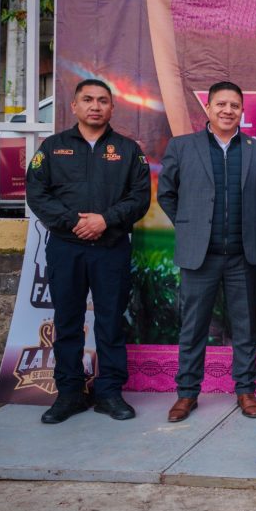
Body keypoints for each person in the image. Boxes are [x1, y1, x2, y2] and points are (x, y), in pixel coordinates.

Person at [25, 78, 151, 423]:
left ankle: (109, 393)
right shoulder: (52, 148)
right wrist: (73, 223)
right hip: (66, 249)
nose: (95, 106)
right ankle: (69, 394)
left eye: (102, 100)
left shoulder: (128, 150)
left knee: (110, 322)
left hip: (111, 249)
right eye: (88, 99)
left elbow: (139, 198)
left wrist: (105, 221)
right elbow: (37, 194)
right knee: (68, 321)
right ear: (74, 106)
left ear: (112, 107)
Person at [158, 81, 256, 423]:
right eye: (220, 104)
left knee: (245, 326)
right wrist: (191, 227)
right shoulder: (182, 147)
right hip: (200, 256)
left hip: (242, 255)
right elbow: (167, 194)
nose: (227, 110)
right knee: (193, 327)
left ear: (242, 110)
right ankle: (187, 394)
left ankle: (246, 390)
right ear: (207, 108)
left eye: (234, 105)